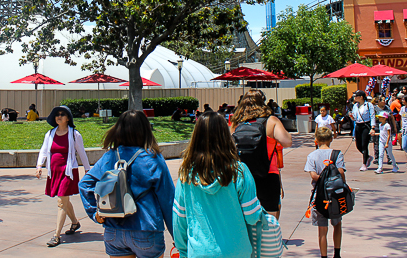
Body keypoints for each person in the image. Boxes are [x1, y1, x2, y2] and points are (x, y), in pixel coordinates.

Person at [79, 110, 174, 257]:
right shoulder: (152, 158)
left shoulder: (110, 156)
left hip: (114, 230)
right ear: (145, 130)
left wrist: (94, 213)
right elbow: (167, 199)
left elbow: (85, 184)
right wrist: (177, 237)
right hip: (146, 229)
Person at [172, 111, 263, 258]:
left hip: (200, 252)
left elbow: (179, 219)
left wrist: (183, 250)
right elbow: (252, 216)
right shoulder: (239, 171)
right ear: (225, 136)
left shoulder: (186, 175)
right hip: (237, 252)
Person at [230, 89, 292, 219]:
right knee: (271, 213)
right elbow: (287, 142)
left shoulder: (236, 123)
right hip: (268, 173)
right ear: (263, 102)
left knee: (243, 213)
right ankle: (269, 238)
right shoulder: (271, 121)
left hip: (242, 174)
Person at [37, 106, 91, 247]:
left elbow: (82, 153)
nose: (59, 117)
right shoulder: (50, 134)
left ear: (68, 118)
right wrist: (39, 166)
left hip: (68, 172)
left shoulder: (74, 134)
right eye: (57, 115)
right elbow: (43, 150)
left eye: (62, 114)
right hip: (54, 172)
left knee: (61, 202)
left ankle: (56, 236)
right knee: (64, 200)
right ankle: (75, 222)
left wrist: (87, 169)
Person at [304, 127, 345, 258]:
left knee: (322, 230)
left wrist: (322, 178)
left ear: (316, 140)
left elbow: (313, 175)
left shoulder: (312, 156)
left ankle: (324, 256)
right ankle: (337, 254)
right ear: (331, 139)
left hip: (319, 197)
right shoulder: (337, 154)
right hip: (335, 196)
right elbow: (341, 172)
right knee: (337, 224)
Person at [349, 90, 376, 171]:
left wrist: (373, 127)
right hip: (358, 125)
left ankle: (364, 163)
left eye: (356, 96)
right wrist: (351, 117)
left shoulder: (368, 105)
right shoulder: (355, 106)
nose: (355, 98)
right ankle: (367, 157)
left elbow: (372, 116)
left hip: (365, 125)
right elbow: (354, 117)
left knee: (364, 145)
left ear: (361, 97)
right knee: (358, 145)